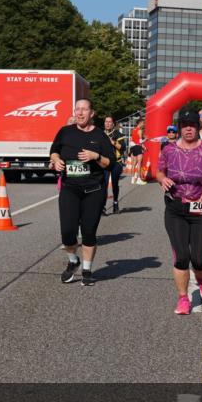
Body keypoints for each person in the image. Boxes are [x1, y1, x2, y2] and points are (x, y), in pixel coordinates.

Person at [156, 109, 202, 315]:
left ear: (198, 126)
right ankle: (183, 298)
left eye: (192, 125)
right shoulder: (169, 149)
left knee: (199, 259)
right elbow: (159, 171)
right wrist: (162, 179)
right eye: (184, 125)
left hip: (201, 208)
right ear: (179, 127)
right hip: (176, 208)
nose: (188, 129)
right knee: (181, 257)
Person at [49, 98, 115, 287]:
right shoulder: (65, 131)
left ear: (91, 113)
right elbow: (54, 151)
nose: (80, 113)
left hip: (94, 190)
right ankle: (73, 261)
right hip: (70, 189)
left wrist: (96, 156)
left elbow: (111, 163)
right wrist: (56, 160)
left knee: (88, 231)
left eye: (84, 109)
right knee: (67, 232)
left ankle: (87, 270)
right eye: (77, 109)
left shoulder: (100, 136)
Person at [102, 116, 123, 216]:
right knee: (104, 185)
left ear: (113, 124)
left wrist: (113, 142)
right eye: (106, 122)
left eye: (110, 122)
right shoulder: (100, 134)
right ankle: (102, 207)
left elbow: (122, 148)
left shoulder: (118, 134)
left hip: (116, 163)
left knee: (115, 185)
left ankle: (115, 204)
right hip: (104, 163)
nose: (108, 123)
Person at [128, 119, 145, 184]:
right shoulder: (140, 130)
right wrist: (146, 139)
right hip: (137, 147)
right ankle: (138, 179)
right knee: (139, 163)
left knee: (134, 163)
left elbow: (132, 139)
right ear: (140, 123)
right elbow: (140, 141)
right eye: (143, 123)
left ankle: (132, 179)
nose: (143, 124)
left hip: (133, 147)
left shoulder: (133, 130)